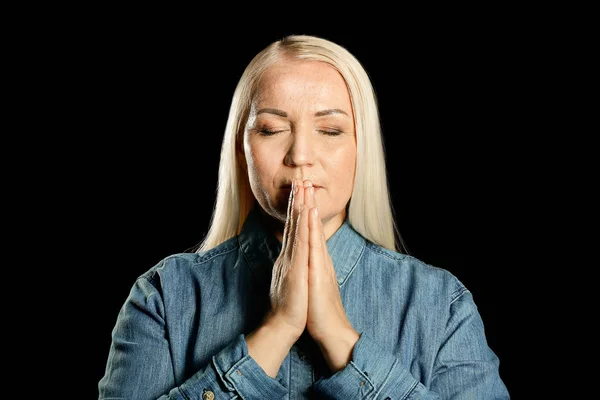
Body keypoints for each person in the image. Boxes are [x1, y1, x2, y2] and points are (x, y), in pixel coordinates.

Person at [98, 34, 509, 399]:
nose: (301, 156)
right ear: (241, 149)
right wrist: (276, 330)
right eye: (272, 130)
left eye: (330, 131)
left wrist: (340, 339)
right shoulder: (165, 296)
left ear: (361, 149)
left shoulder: (440, 304)